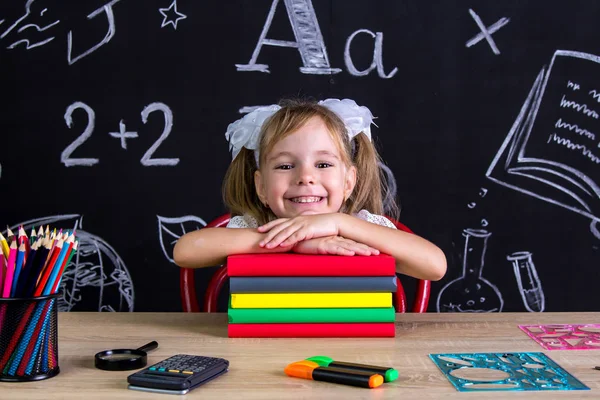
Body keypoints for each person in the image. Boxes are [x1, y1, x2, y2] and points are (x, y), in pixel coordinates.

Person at [174, 98, 446, 281]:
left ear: (349, 182)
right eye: (284, 166)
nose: (305, 177)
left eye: (323, 164)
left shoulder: (360, 229)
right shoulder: (258, 226)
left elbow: (435, 266)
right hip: (262, 350)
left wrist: (338, 223)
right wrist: (296, 242)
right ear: (261, 187)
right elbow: (185, 251)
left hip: (356, 348)